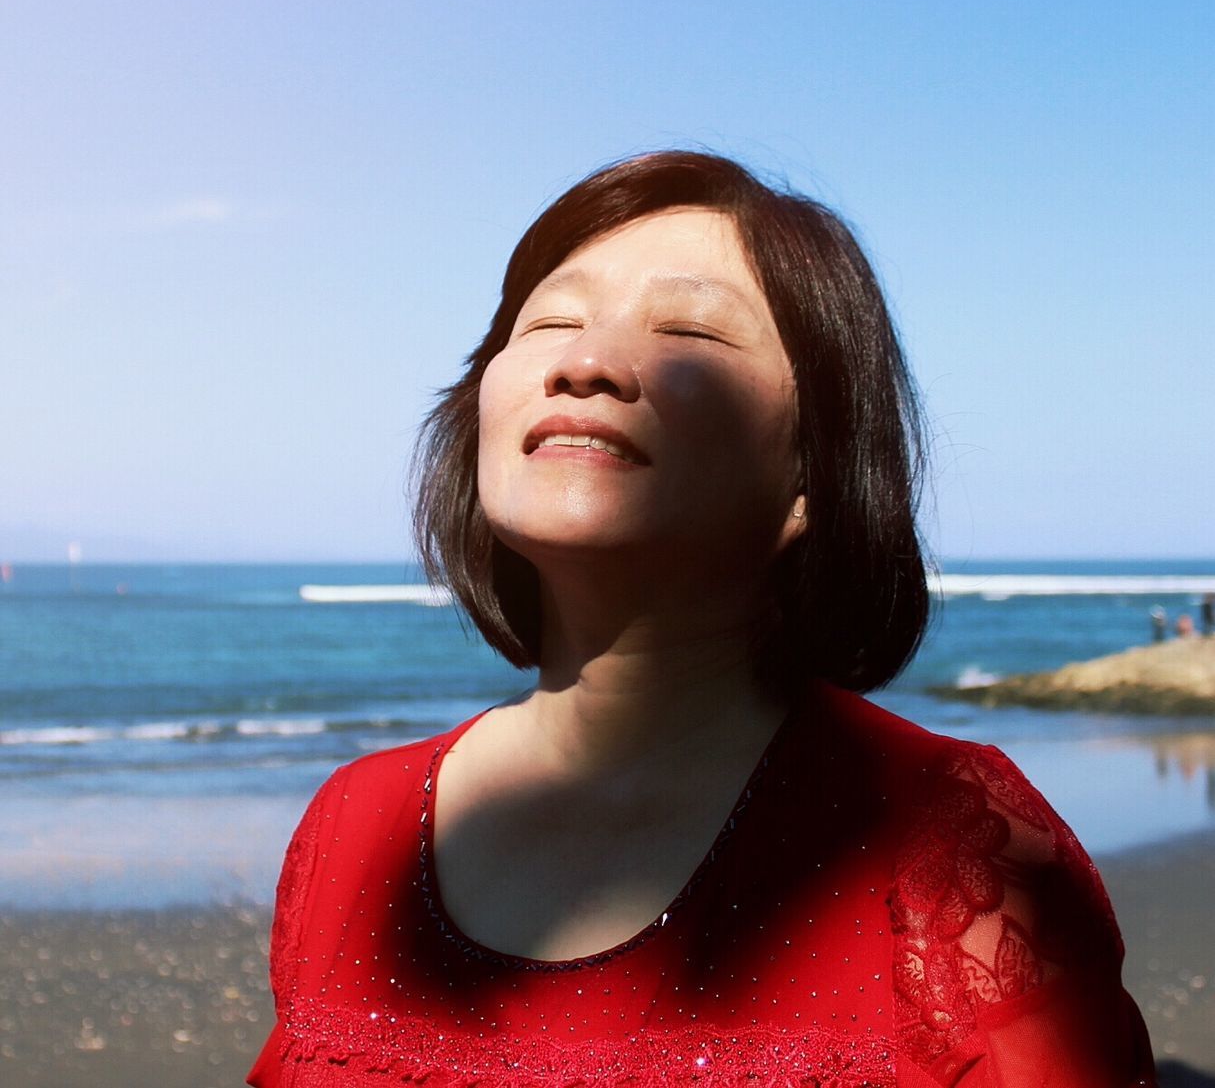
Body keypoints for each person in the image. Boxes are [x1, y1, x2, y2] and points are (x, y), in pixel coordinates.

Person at [248, 152, 1156, 1086]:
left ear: (814, 473)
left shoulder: (945, 845)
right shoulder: (354, 830)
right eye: (550, 320)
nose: (584, 361)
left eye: (688, 329)